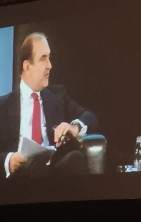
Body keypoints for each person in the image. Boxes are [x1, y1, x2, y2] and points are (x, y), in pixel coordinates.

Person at [0, 32, 97, 178]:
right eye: (43, 59)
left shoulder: (58, 95)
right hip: (20, 175)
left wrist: (74, 127)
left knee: (74, 158)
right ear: (27, 66)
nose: (50, 66)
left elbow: (90, 117)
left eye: (49, 58)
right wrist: (9, 161)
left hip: (54, 169)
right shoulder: (3, 106)